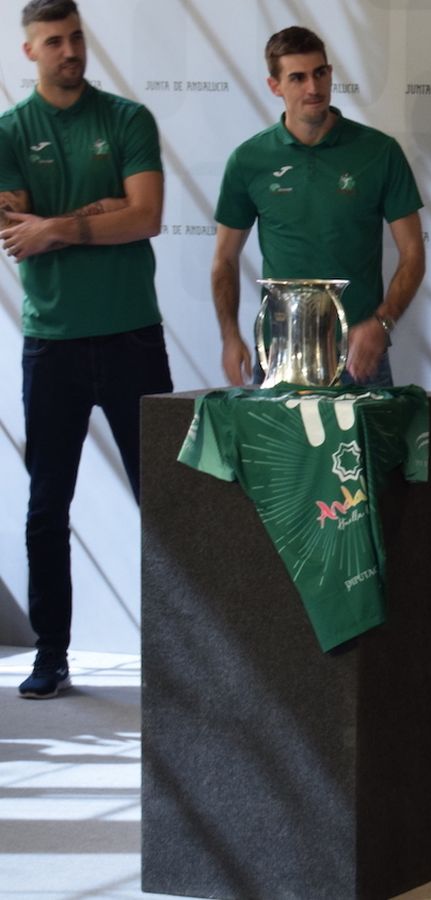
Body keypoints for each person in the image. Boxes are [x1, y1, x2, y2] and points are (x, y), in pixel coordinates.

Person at [0, 0, 173, 699]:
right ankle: (52, 654)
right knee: (46, 507)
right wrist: (98, 212)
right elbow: (14, 227)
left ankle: (182, 648)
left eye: (76, 37)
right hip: (54, 343)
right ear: (30, 53)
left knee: (164, 505)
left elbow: (147, 215)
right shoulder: (11, 132)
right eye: (54, 41)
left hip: (132, 334)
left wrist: (58, 226)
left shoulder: (127, 119)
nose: (71, 50)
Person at [210, 26, 424, 387]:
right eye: (298, 78)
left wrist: (381, 323)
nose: (313, 88)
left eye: (320, 73)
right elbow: (224, 260)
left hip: (360, 359)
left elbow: (414, 252)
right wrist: (230, 337)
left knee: (370, 447)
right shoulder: (249, 160)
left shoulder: (379, 152)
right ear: (274, 86)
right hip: (279, 357)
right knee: (278, 448)